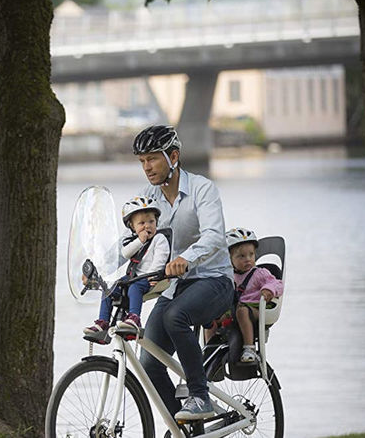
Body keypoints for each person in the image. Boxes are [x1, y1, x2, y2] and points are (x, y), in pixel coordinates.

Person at [131, 124, 235, 421]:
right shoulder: (147, 197)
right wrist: (103, 266)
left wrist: (185, 259)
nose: (147, 167)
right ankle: (187, 429)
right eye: (142, 161)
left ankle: (200, 397)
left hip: (214, 280)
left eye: (152, 159)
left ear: (173, 156)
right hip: (174, 287)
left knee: (175, 316)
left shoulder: (203, 188)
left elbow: (215, 236)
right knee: (149, 360)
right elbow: (133, 238)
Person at [82, 196, 170, 344]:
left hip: (148, 277)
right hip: (133, 277)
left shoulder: (159, 239)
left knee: (134, 287)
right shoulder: (135, 241)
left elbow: (161, 258)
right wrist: (140, 241)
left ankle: (134, 318)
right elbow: (125, 254)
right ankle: (103, 322)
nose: (147, 226)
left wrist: (152, 275)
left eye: (151, 222)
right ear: (132, 227)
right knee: (109, 287)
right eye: (141, 223)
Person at [224, 227, 284, 363]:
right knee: (213, 316)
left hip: (257, 310)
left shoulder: (259, 273)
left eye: (251, 255)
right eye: (241, 256)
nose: (248, 259)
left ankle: (249, 348)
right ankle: (209, 347)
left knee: (242, 312)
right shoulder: (229, 276)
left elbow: (278, 284)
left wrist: (268, 289)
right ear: (229, 259)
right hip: (236, 309)